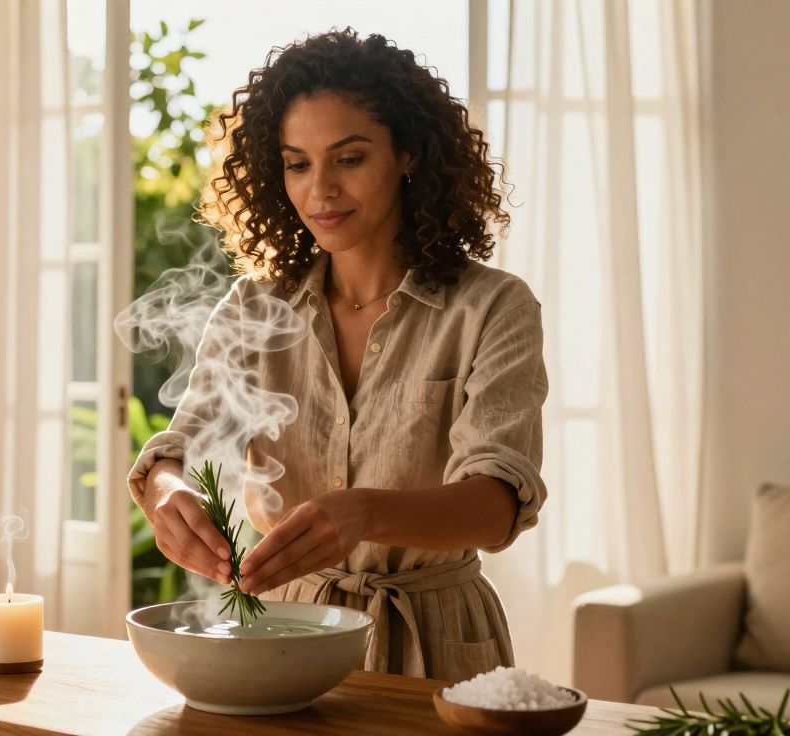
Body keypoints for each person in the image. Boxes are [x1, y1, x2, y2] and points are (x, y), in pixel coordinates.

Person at [126, 28, 548, 683]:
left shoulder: (493, 308)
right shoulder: (252, 308)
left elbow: (496, 507)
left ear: (407, 153)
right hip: (284, 630)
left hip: (435, 636)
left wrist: (363, 512)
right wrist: (168, 492)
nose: (319, 190)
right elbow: (182, 448)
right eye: (297, 163)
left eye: (348, 158)